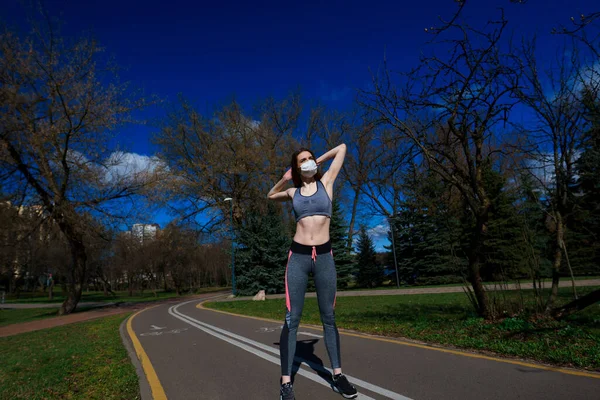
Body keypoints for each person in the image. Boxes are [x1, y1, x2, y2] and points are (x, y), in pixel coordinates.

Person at [267, 144, 358, 400]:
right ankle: (286, 383)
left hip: (325, 257)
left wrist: (317, 159)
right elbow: (270, 195)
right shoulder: (293, 191)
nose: (307, 162)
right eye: (302, 161)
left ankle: (338, 375)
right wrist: (283, 179)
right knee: (291, 319)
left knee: (328, 317)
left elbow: (342, 148)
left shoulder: (327, 181)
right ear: (296, 168)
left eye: (309, 159)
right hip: (298, 257)